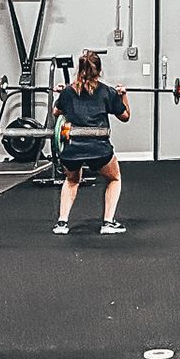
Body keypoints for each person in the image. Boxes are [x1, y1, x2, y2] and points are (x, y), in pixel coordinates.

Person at [51, 50, 131, 236]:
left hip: (71, 150)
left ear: (79, 69)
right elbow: (125, 116)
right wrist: (123, 95)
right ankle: (108, 223)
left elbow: (56, 113)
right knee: (114, 178)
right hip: (99, 150)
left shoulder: (69, 92)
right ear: (99, 70)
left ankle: (62, 224)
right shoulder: (107, 92)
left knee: (71, 180)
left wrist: (60, 93)